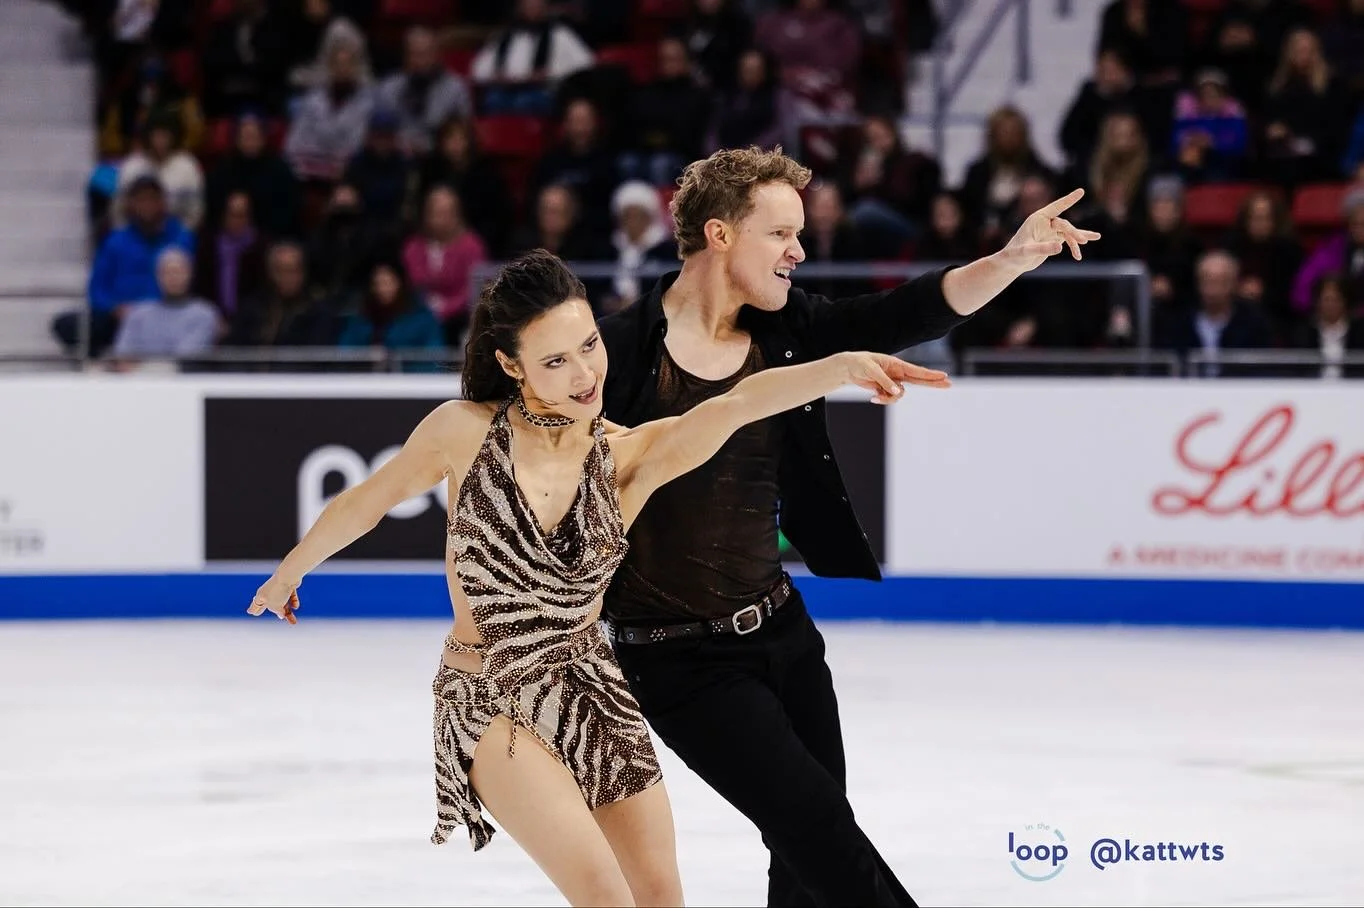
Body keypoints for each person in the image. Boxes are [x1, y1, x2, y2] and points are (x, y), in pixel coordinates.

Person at [245, 249, 951, 908]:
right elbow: (367, 500)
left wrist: (840, 367)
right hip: (490, 698)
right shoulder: (461, 431)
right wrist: (289, 572)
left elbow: (736, 404)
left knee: (659, 902)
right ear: (511, 364)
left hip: (594, 690)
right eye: (556, 360)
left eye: (590, 346)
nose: (585, 374)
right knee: (607, 898)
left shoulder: (628, 458)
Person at [596, 146, 1100, 908]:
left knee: (802, 861)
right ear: (721, 234)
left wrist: (1007, 259)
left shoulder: (790, 327)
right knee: (822, 835)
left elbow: (904, 312)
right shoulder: (619, 355)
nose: (800, 250)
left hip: (782, 635)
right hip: (678, 659)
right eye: (780, 233)